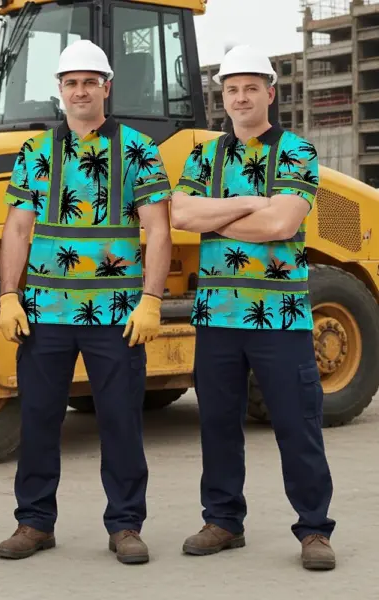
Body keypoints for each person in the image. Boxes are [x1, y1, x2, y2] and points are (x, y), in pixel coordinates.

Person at [0, 39, 172, 565]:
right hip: (45, 313)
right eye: (71, 83)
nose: (80, 91)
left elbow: (159, 230)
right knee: (39, 420)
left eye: (89, 82)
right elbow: (17, 228)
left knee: (120, 421)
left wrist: (151, 300)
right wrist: (9, 295)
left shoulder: (139, 150)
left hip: (117, 316)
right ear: (59, 90)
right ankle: (33, 523)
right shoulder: (36, 152)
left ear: (106, 88)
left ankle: (126, 525)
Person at [171, 44, 336, 571]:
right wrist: (249, 204)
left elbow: (281, 224)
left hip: (280, 317)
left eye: (250, 88)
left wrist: (216, 216)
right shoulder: (204, 156)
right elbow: (181, 215)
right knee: (218, 424)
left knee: (296, 424)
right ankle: (223, 521)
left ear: (270, 92)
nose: (240, 97)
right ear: (222, 97)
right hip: (216, 315)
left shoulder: (296, 151)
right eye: (232, 89)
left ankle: (314, 529)